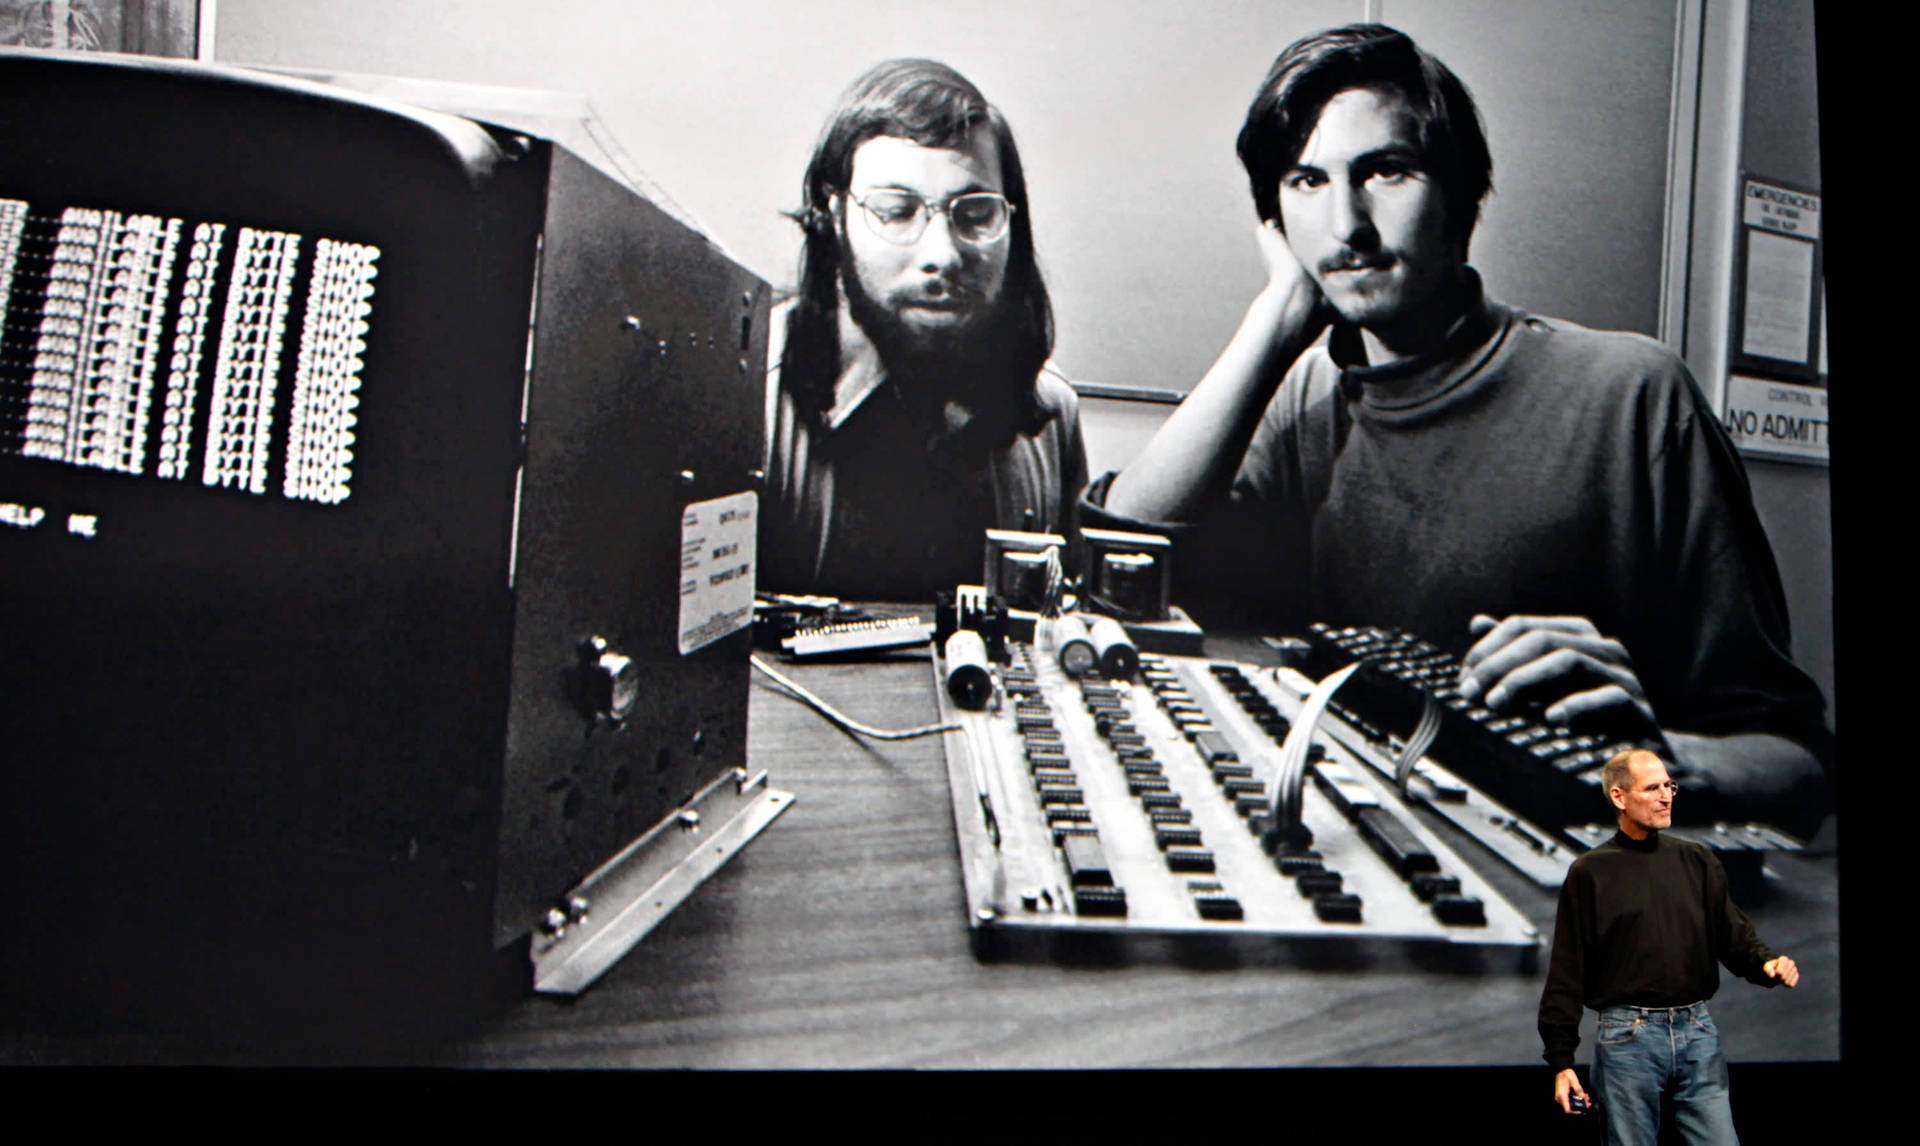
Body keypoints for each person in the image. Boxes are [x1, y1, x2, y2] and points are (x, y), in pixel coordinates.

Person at [1087, 24, 1829, 835]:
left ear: (1461, 198)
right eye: (1306, 182)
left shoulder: (1636, 397)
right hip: (1375, 863)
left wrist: (1665, 767)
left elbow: (1798, 771)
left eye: (1386, 171)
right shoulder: (1307, 396)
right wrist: (1275, 320)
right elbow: (1122, 561)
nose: (1348, 225)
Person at [760, 58, 1087, 601]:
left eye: (975, 214)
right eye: (895, 210)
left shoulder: (1052, 417)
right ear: (832, 215)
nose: (942, 254)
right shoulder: (743, 401)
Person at [1538, 748, 1799, 1143]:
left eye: (1668, 786)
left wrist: (1767, 962)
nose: (1666, 796)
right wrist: (1562, 1061)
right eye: (1652, 788)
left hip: (1697, 1032)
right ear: (1619, 798)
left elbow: (1733, 934)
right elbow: (1567, 970)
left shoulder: (1696, 860)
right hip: (1628, 1037)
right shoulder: (1591, 871)